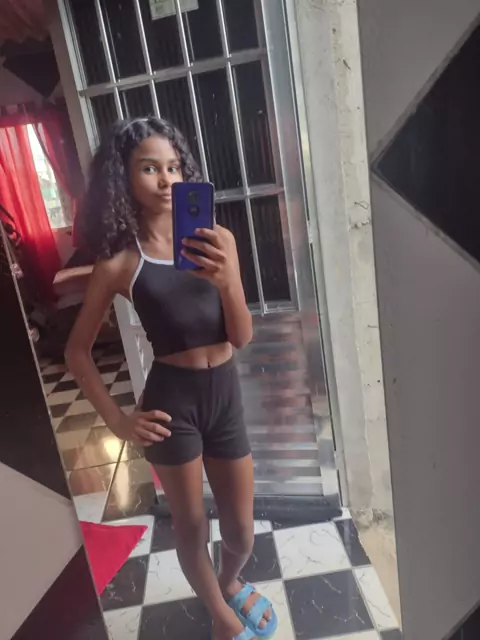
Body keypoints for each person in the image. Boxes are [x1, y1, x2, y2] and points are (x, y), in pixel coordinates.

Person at [65, 117, 278, 640]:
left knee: (242, 532)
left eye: (174, 167)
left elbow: (242, 336)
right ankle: (223, 620)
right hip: (170, 405)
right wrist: (118, 422)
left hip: (224, 395)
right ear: (123, 177)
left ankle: (228, 583)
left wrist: (227, 281)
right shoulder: (120, 263)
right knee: (191, 525)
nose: (166, 179)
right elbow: (76, 352)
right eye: (149, 168)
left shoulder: (218, 240)